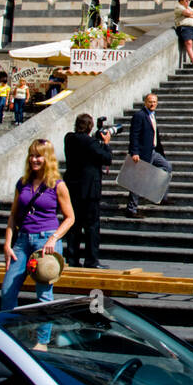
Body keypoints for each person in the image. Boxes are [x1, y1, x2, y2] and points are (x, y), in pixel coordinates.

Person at [0, 140, 75, 329]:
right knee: (7, 290)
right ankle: (8, 335)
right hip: (23, 239)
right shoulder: (22, 183)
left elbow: (70, 217)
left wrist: (54, 238)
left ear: (47, 158)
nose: (34, 159)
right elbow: (13, 216)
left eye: (38, 155)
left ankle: (43, 339)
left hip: (45, 240)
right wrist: (7, 244)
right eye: (32, 155)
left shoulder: (57, 185)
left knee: (43, 294)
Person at [64, 113, 113, 269]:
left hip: (72, 188)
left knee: (73, 225)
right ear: (90, 126)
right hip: (89, 190)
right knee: (92, 226)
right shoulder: (91, 142)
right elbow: (107, 158)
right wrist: (105, 143)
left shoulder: (69, 139)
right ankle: (91, 260)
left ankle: (72, 259)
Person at [126, 93, 171, 218]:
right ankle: (131, 209)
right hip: (142, 153)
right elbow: (134, 135)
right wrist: (134, 152)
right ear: (145, 102)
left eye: (155, 102)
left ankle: (161, 196)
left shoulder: (152, 115)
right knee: (138, 181)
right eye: (150, 101)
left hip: (153, 151)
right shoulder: (139, 116)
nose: (152, 104)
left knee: (167, 167)